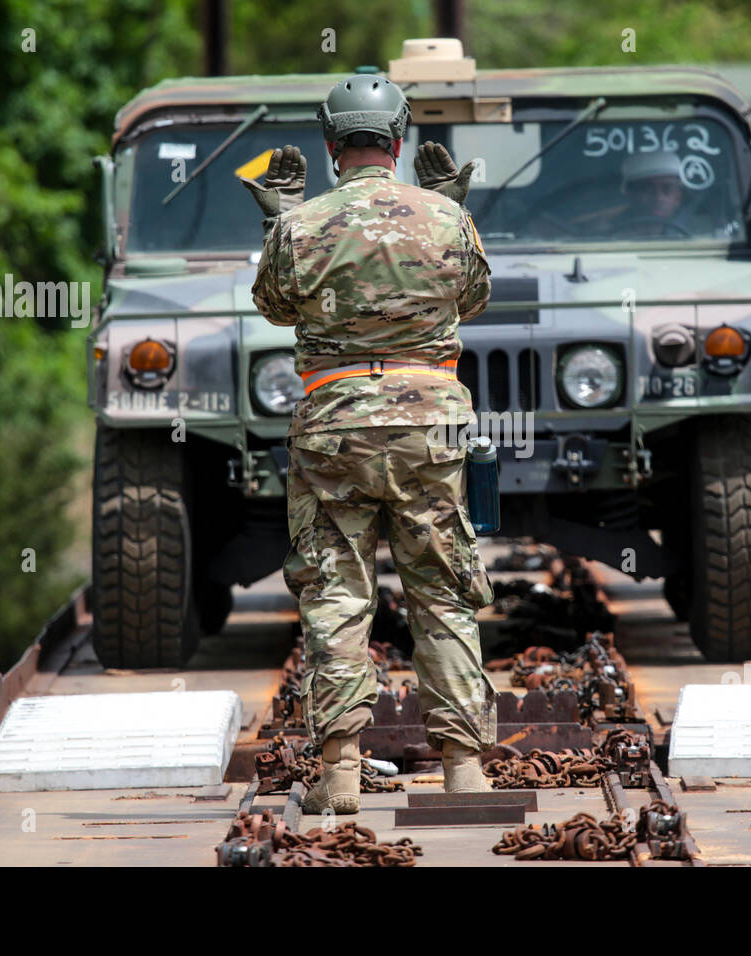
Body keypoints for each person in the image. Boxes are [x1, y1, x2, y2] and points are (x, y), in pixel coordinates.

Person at [246, 73, 497, 814]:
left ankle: (343, 772)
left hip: (335, 426)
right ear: (400, 140)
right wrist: (453, 208)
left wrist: (279, 223)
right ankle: (463, 771)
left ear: (332, 146)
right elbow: (473, 298)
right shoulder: (446, 218)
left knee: (336, 592)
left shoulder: (302, 226)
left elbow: (272, 307)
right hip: (429, 425)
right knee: (443, 589)